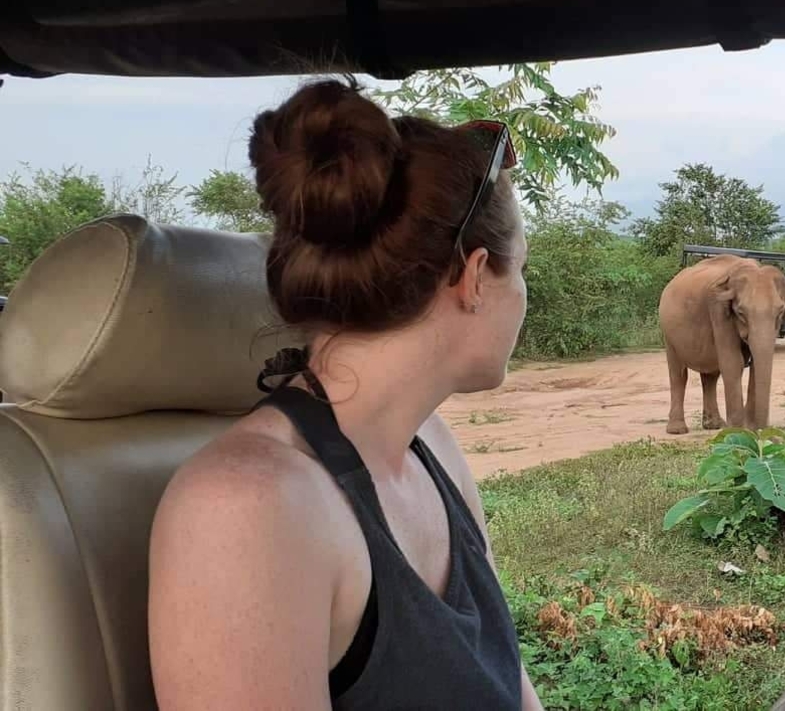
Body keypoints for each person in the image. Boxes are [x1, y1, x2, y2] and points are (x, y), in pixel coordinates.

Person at [147, 77, 543, 710]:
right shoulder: (245, 507)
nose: (523, 295)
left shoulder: (430, 447)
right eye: (519, 269)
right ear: (472, 278)